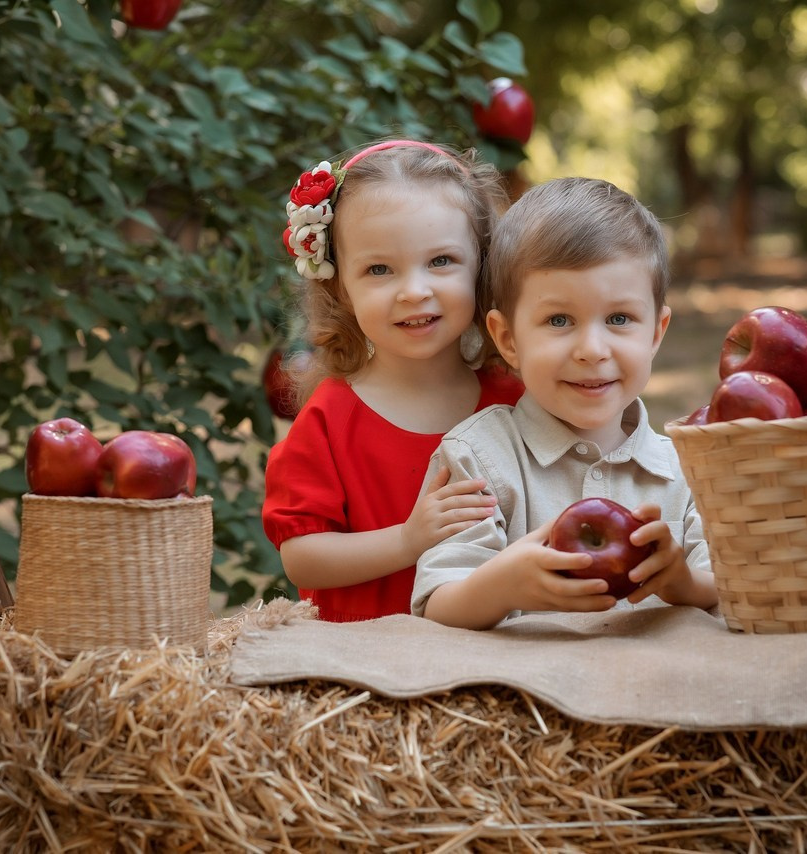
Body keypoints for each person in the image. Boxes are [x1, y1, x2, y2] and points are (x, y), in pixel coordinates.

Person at [410, 176, 718, 630]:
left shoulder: (690, 468)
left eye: (619, 318)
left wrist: (680, 581)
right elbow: (437, 605)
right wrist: (503, 584)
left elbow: (730, 584)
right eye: (559, 320)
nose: (592, 349)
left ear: (656, 332)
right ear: (509, 339)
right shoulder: (479, 458)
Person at [262, 140, 525, 623]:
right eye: (379, 269)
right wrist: (408, 539)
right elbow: (302, 558)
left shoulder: (518, 403)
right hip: (367, 669)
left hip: (497, 667)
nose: (414, 291)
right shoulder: (330, 418)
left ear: (482, 267)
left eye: (441, 261)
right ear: (341, 286)